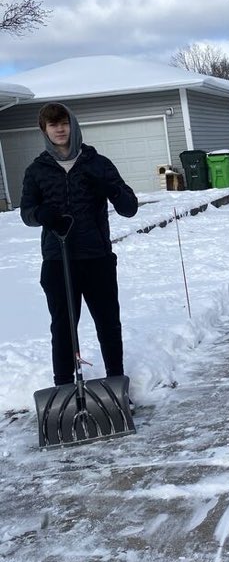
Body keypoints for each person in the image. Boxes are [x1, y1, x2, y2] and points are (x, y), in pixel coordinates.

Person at [20, 102, 138, 389]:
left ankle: (115, 382)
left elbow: (129, 207)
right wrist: (40, 215)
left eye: (64, 123)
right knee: (63, 327)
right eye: (53, 125)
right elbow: (26, 213)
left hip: (96, 257)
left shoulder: (98, 163)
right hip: (57, 259)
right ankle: (63, 387)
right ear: (44, 130)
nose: (60, 129)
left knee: (108, 323)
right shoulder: (37, 170)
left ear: (73, 125)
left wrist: (109, 189)